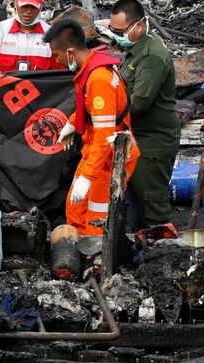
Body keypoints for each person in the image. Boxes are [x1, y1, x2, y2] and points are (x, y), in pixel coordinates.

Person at [44, 19, 139, 236]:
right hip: (97, 154)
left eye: (56, 54)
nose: (55, 60)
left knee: (98, 219)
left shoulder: (99, 79)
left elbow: (105, 136)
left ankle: (94, 263)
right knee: (76, 210)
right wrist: (72, 122)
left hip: (110, 159)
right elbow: (93, 109)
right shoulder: (93, 66)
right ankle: (76, 252)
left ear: (69, 52)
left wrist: (87, 177)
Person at [109, 0, 180, 229]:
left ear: (138, 26)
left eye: (120, 31)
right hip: (138, 134)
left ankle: (164, 254)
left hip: (153, 140)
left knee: (152, 205)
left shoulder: (150, 56)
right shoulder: (136, 47)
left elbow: (138, 103)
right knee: (135, 202)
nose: (116, 36)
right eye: (113, 30)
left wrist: (104, 112)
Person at [0, 0, 62, 72]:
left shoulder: (53, 36)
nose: (28, 11)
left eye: (33, 7)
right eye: (24, 6)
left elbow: (58, 76)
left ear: (41, 6)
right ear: (15, 3)